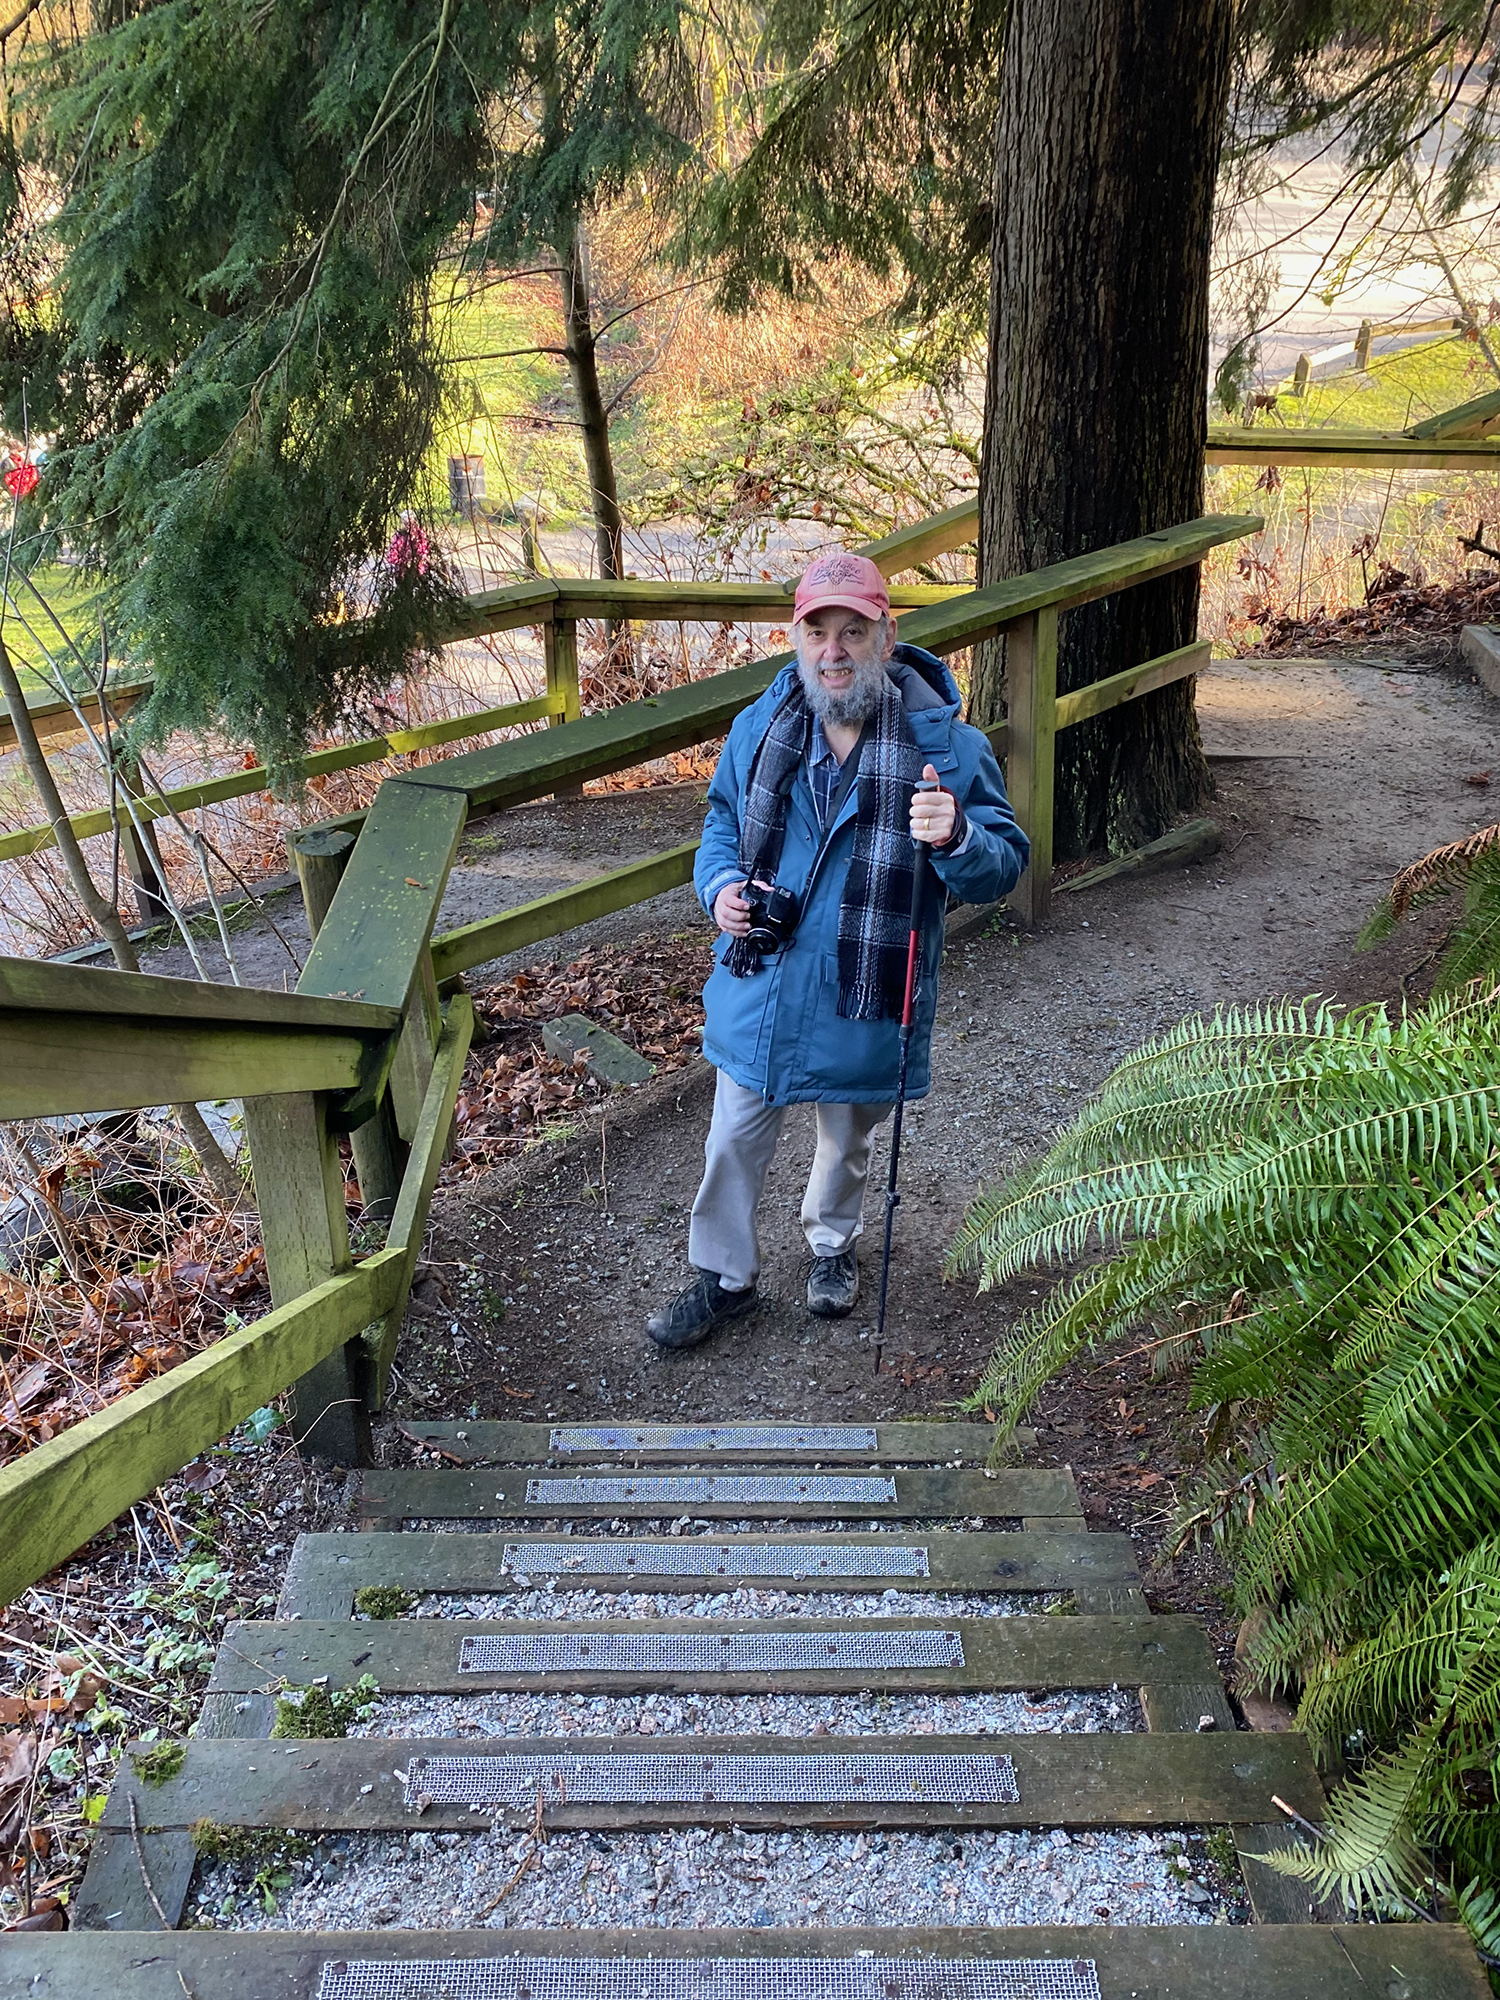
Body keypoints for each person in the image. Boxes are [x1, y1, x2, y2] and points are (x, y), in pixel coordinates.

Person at [647, 551, 1030, 1350]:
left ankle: (831, 1248)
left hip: (868, 983)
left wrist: (957, 836)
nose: (834, 649)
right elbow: (721, 823)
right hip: (764, 974)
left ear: (886, 638)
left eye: (853, 630)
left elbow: (1005, 861)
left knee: (846, 1136)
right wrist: (717, 886)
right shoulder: (760, 726)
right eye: (818, 630)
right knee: (731, 1136)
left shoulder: (948, 751)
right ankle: (724, 1276)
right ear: (797, 638)